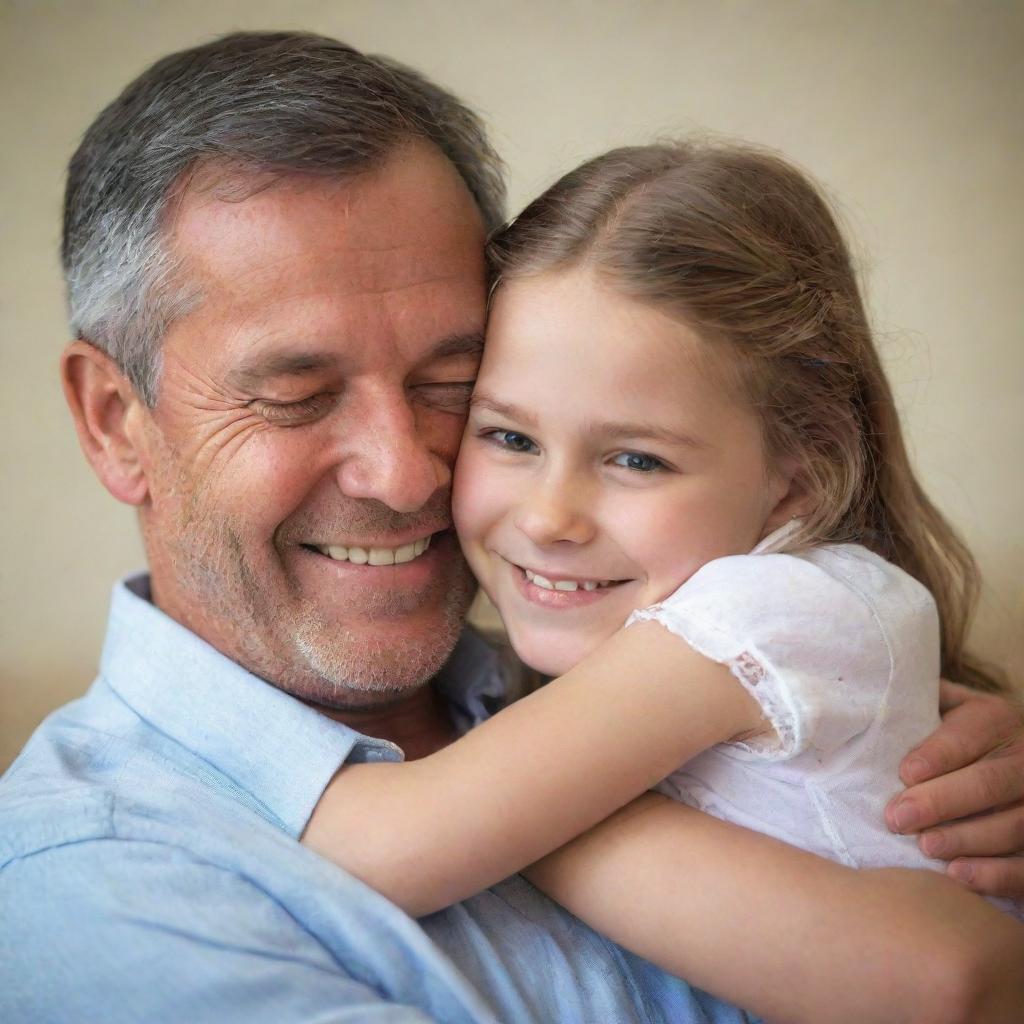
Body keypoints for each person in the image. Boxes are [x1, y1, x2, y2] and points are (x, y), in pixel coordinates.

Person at [1, 30, 1022, 1024]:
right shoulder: (91, 878)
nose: (404, 473)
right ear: (113, 422)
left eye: (452, 384)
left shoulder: (590, 668)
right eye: (295, 394)